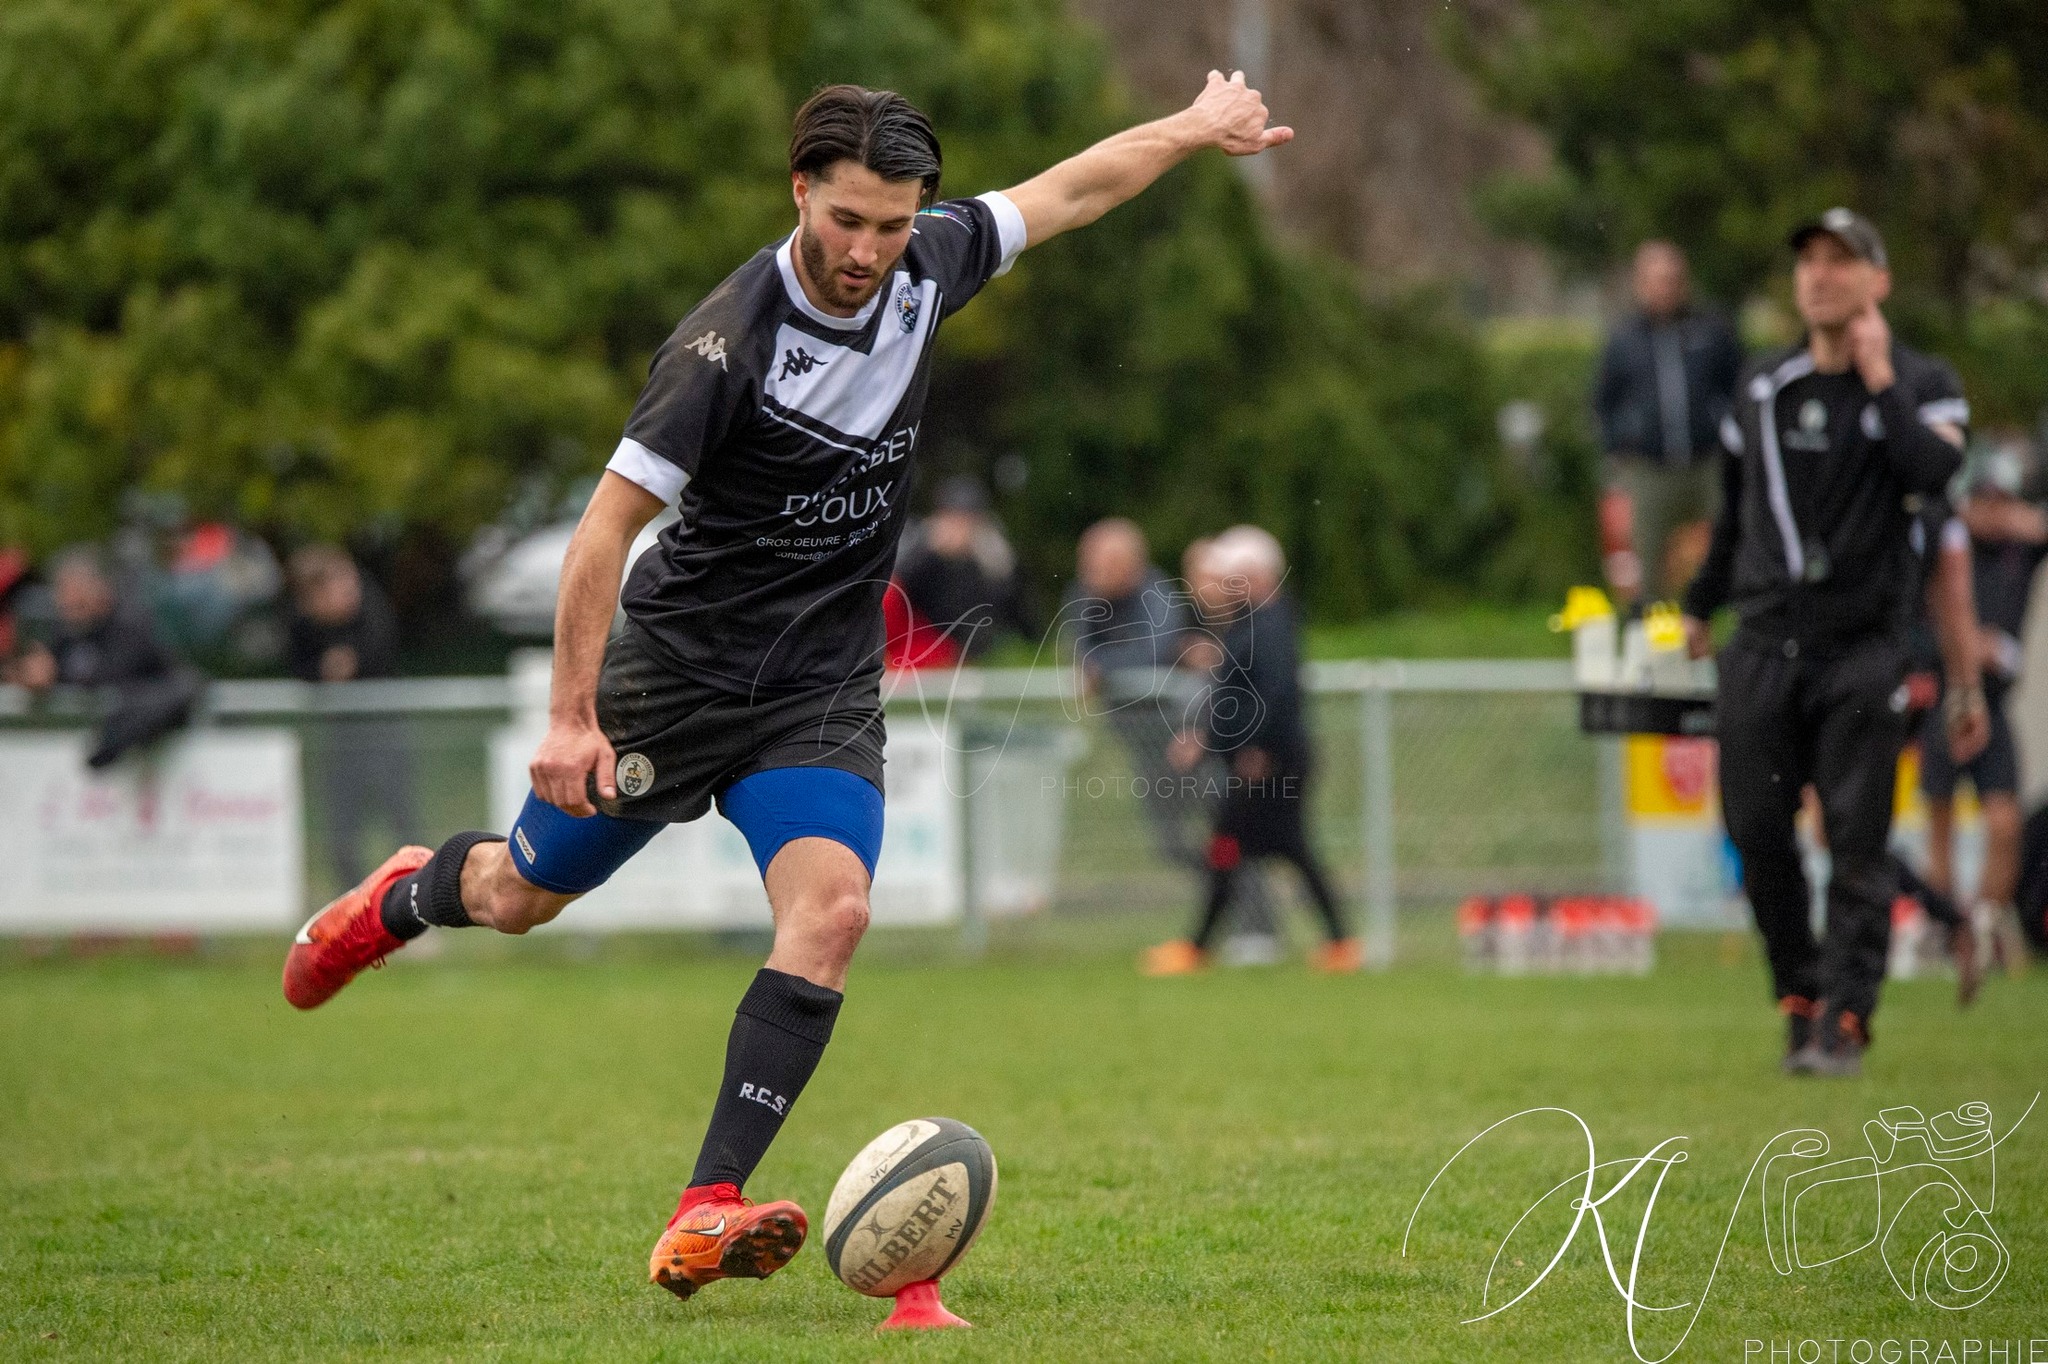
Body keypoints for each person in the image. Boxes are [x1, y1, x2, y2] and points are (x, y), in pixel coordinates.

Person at [281, 75, 1292, 1301]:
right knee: (519, 894)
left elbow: (1071, 190)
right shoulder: (722, 347)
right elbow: (601, 532)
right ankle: (406, 890)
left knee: (834, 912)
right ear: (800, 191)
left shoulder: (930, 262)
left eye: (891, 224)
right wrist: (569, 715)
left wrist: (1192, 128)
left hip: (817, 683)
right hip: (677, 677)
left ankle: (703, 1205)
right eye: (846, 220)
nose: (867, 251)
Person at [1681, 208, 1968, 1078]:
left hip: (1863, 649)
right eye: (1808, 260)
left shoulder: (1920, 382)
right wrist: (1699, 605)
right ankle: (1800, 994)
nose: (1819, 275)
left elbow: (1935, 472)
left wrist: (1879, 382)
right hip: (1765, 642)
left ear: (1878, 282)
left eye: (1841, 261)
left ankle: (1845, 1018)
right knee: (1757, 831)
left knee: (1856, 843)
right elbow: (1734, 512)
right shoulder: (1765, 384)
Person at [1141, 526, 1360, 975]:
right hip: (1260, 758)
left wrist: (1256, 747)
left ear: (1257, 575)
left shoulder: (1270, 625)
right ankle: (1339, 943)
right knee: (1264, 849)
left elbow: (1275, 695)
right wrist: (1209, 739)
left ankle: (1199, 948)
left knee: (1231, 846)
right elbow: (1240, 695)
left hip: (1266, 762)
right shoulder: (1258, 622)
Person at [1920, 437, 2046, 974]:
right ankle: (1946, 928)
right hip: (1947, 697)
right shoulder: (1946, 546)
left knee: (2004, 822)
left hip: (1994, 703)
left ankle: (1986, 925)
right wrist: (1966, 645)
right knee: (1940, 822)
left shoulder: (2018, 551)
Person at [1595, 241, 1745, 602]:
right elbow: (1604, 401)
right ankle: (1650, 626)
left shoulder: (1712, 329)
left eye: (1672, 279)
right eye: (1656, 280)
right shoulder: (1624, 339)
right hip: (1651, 467)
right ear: (1640, 284)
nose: (1665, 288)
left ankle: (1736, 619)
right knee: (1648, 563)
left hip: (1709, 462)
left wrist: (1732, 438)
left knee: (1736, 543)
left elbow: (1740, 387)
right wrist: (1621, 444)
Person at [1061, 518, 1202, 869]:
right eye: (1088, 562)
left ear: (1132, 563)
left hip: (1183, 732)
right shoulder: (1086, 595)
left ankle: (1248, 901)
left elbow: (1156, 651)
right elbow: (1079, 649)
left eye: (1104, 563)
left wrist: (1102, 669)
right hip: (1142, 738)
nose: (1093, 572)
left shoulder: (1157, 594)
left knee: (1223, 828)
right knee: (1171, 842)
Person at [286, 546, 422, 889]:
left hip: (385, 732)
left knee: (403, 820)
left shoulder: (372, 610)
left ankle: (415, 897)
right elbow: (299, 667)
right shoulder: (304, 625)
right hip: (341, 739)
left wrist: (352, 664)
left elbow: (382, 650)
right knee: (343, 829)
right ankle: (352, 904)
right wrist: (323, 671)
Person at [12, 546, 200, 768]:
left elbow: (113, 675)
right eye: (63, 597)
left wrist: (56, 675)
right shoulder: (67, 630)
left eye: (77, 596)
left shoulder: (130, 624)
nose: (68, 605)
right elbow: (44, 665)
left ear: (100, 588)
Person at [892, 475, 1026, 661]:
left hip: (966, 651)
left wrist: (991, 564)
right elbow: (896, 591)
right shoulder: (920, 544)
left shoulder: (991, 554)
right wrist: (929, 552)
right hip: (919, 643)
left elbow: (1012, 611)